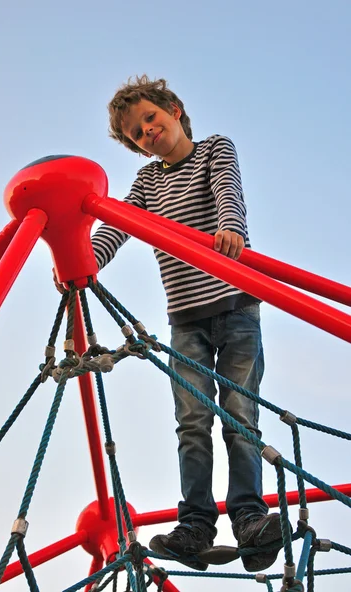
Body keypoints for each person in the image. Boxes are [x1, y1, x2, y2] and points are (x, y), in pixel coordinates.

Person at [55, 75, 283, 572]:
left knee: (240, 416)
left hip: (236, 305)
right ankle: (196, 524)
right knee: (192, 423)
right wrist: (85, 259)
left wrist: (231, 230)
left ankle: (249, 518)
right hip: (186, 319)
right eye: (137, 133)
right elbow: (118, 225)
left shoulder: (213, 150)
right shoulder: (147, 183)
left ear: (174, 110)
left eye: (150, 119)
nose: (148, 132)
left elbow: (228, 191)